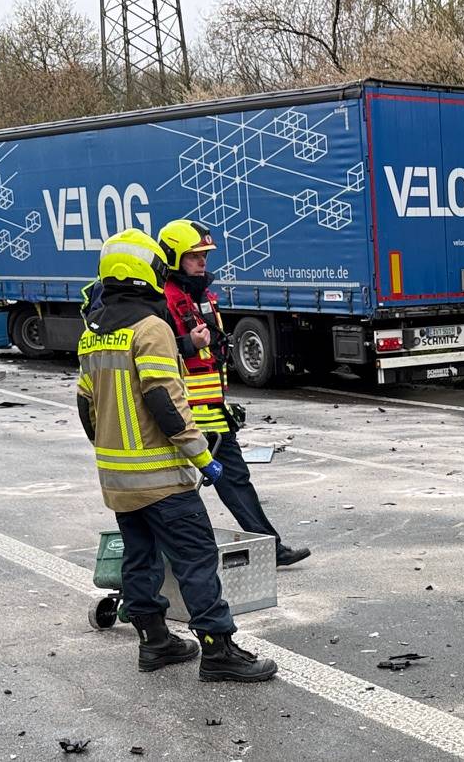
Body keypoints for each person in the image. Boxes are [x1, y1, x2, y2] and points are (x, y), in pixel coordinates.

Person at [75, 228, 277, 681]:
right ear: (147, 271)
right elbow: (165, 401)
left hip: (118, 479)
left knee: (140, 558)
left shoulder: (92, 335)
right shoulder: (152, 328)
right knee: (197, 558)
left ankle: (155, 643)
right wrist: (203, 457)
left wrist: (110, 453)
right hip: (162, 476)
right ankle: (219, 650)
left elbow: (85, 404)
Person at [156, 219, 311, 567]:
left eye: (204, 256)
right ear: (173, 258)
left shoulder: (201, 299)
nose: (202, 263)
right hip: (179, 416)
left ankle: (270, 548)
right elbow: (154, 355)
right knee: (170, 490)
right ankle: (165, 557)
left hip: (212, 412)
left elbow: (214, 355)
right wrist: (187, 344)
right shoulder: (163, 304)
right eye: (194, 256)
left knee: (235, 481)